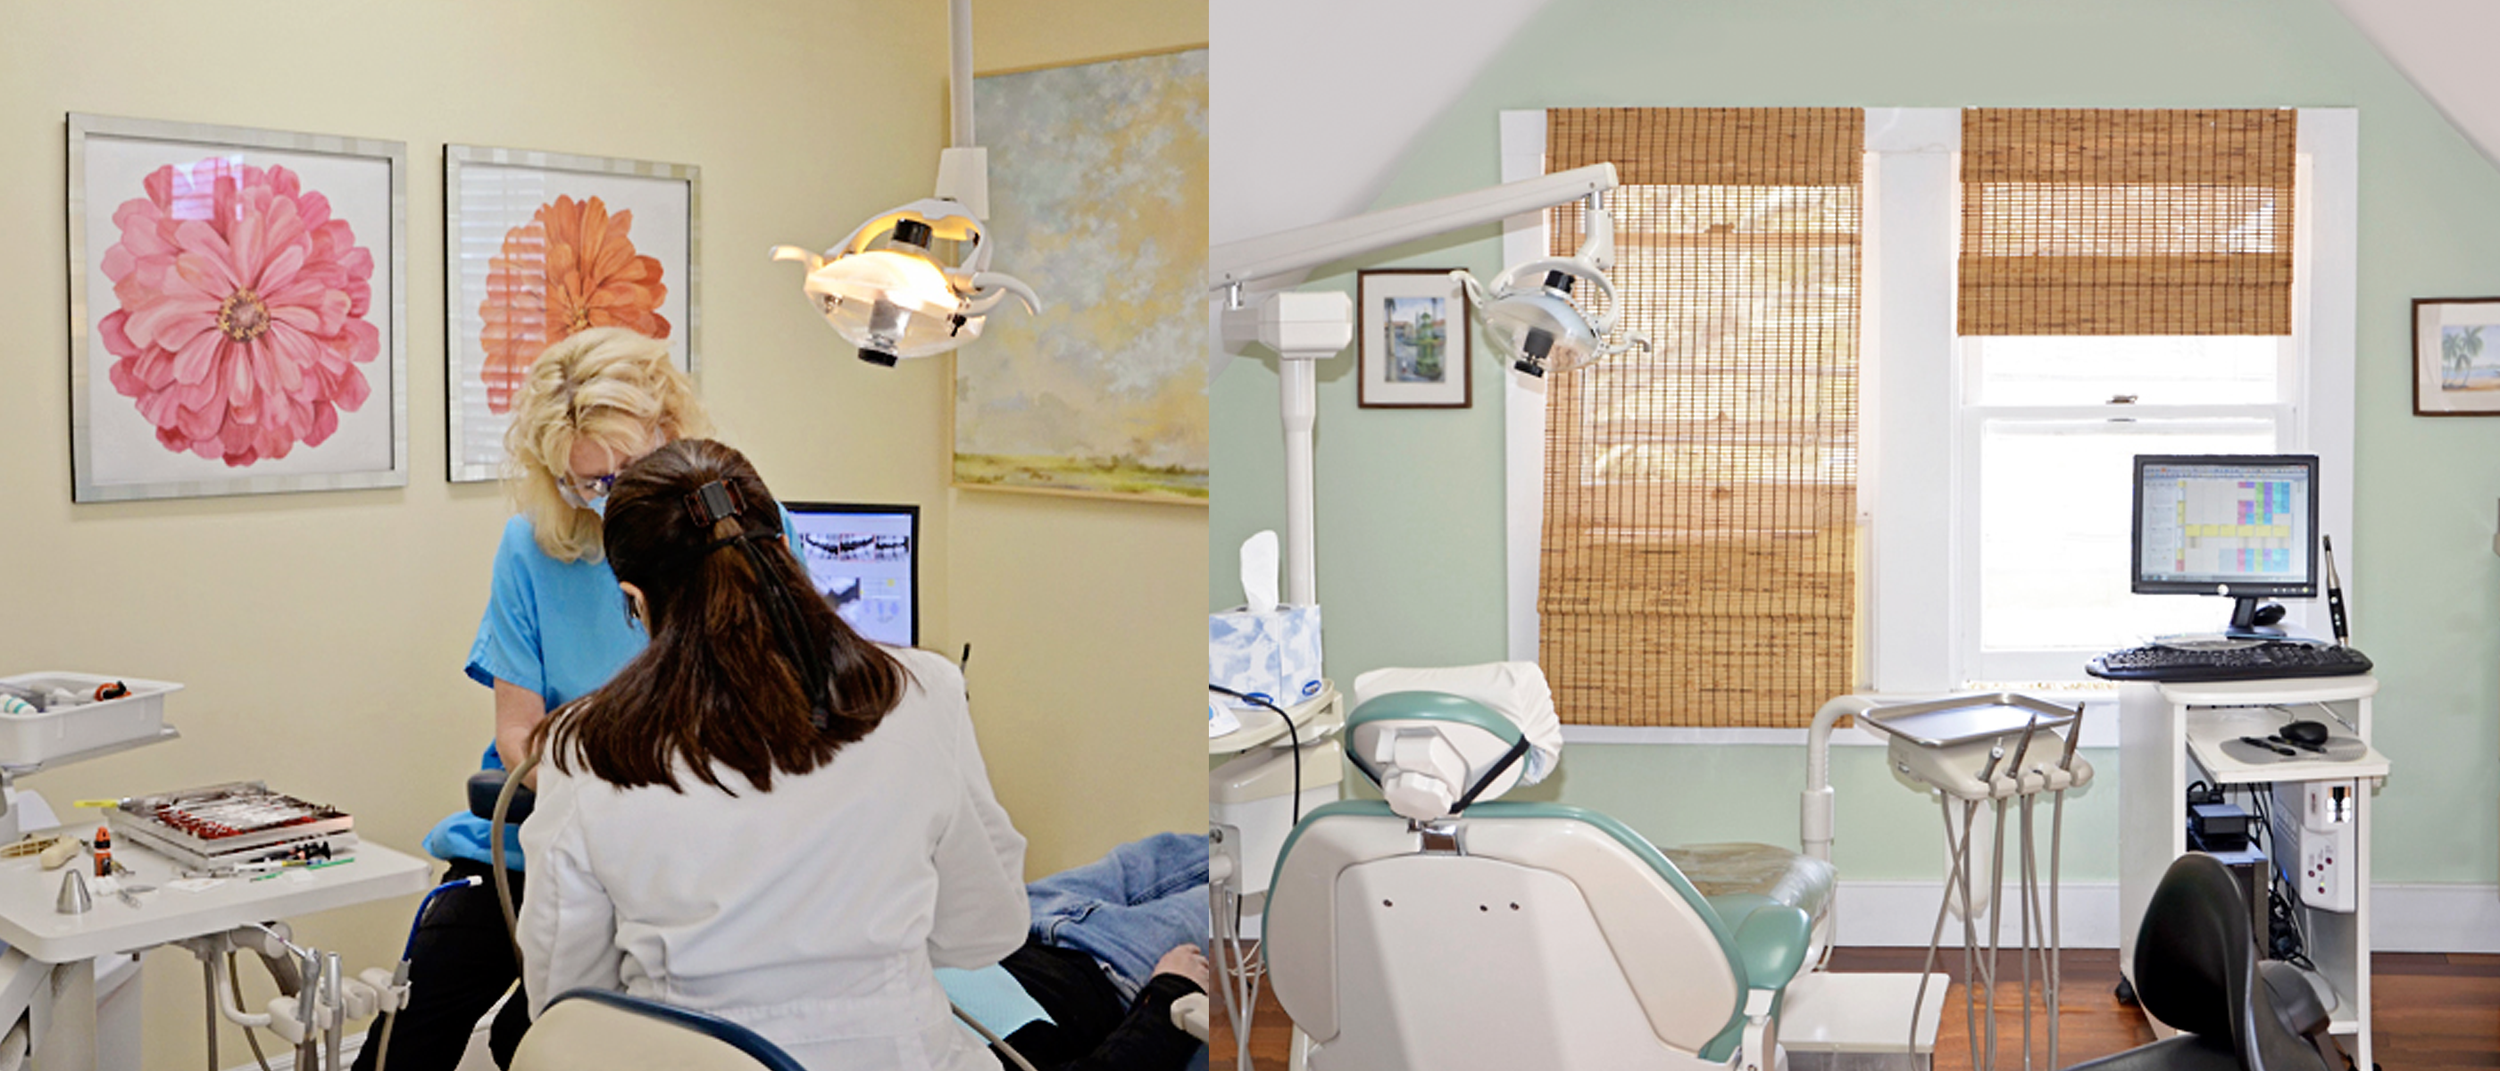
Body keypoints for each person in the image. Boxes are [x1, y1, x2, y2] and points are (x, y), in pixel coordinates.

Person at [519, 439, 1030, 1071]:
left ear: (636, 599)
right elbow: (987, 930)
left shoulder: (586, 749)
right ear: (783, 551)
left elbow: (566, 995)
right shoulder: (925, 692)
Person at [354, 328, 709, 1071]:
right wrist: (596, 799)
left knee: (536, 1037)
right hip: (530, 839)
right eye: (589, 484)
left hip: (676, 859)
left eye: (630, 473)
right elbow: (519, 739)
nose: (612, 503)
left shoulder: (737, 543)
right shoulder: (534, 549)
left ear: (669, 435)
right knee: (405, 1036)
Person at [953, 833, 1210, 1071]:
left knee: (1227, 839)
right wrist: (1169, 992)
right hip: (1118, 979)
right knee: (1235, 905)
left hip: (1028, 919)